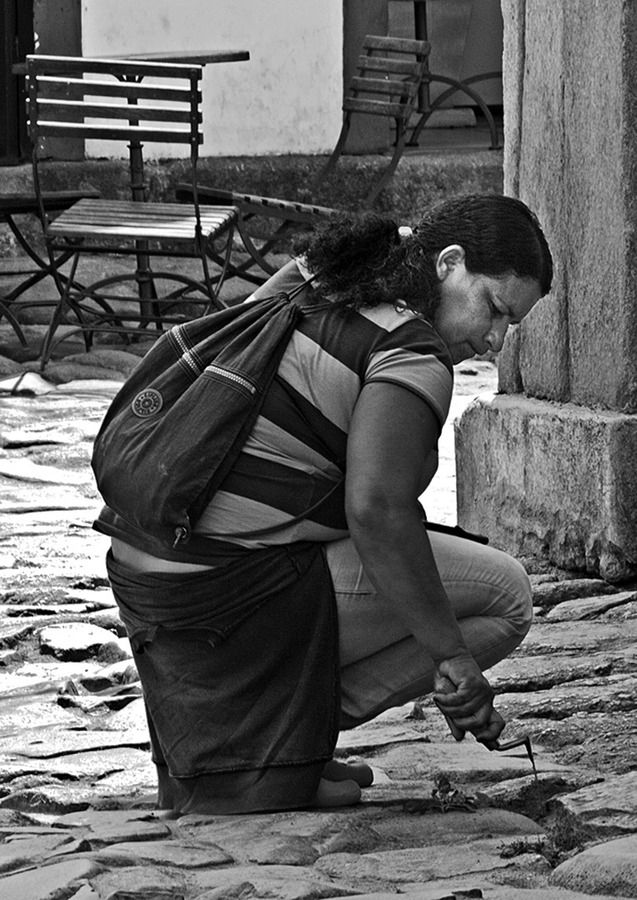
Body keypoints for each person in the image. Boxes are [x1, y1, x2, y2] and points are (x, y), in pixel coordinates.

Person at [96, 193, 553, 815]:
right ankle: (281, 744)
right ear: (448, 262)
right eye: (494, 308)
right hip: (219, 587)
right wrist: (452, 658)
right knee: (505, 596)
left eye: (509, 326)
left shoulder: (322, 274)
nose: (495, 340)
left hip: (148, 571)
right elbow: (377, 513)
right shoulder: (410, 349)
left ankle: (290, 742)